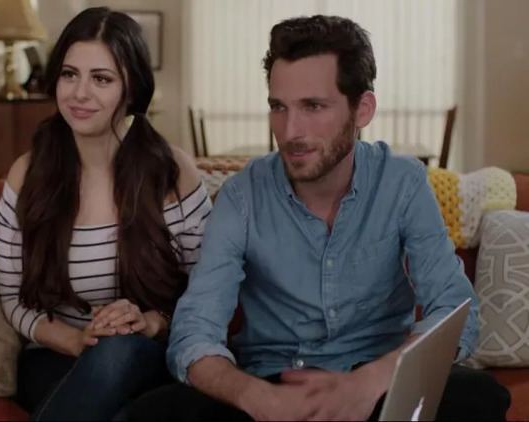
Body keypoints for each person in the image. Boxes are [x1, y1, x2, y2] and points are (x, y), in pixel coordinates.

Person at [123, 15, 510, 421]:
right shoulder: (241, 196)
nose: (290, 131)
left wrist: (373, 381)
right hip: (272, 385)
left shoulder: (403, 182)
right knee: (153, 413)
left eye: (313, 106)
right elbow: (193, 331)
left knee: (479, 397)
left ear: (362, 109)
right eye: (278, 107)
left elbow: (454, 311)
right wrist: (257, 398)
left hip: (376, 385)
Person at [0, 7, 211, 421]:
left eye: (101, 79)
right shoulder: (28, 174)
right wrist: (76, 340)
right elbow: (11, 299)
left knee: (118, 352)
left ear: (131, 90)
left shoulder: (173, 172)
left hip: (148, 349)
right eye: (69, 74)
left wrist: (149, 322)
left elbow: (205, 293)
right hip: (55, 354)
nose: (79, 93)